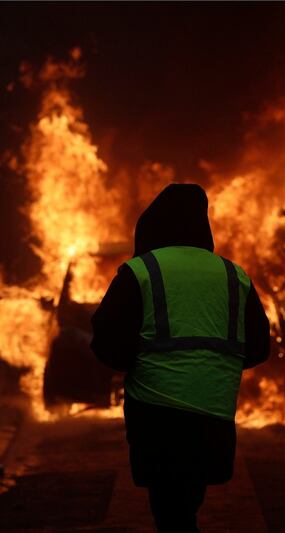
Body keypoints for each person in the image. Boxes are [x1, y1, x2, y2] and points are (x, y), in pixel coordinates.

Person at [90, 183, 270, 532]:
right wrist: (213, 366)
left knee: (170, 508)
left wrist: (138, 365)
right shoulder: (235, 275)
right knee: (187, 501)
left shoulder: (141, 271)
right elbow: (259, 347)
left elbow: (107, 341)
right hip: (214, 411)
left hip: (156, 413)